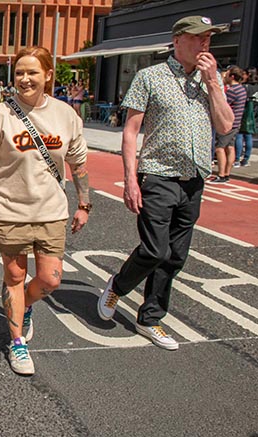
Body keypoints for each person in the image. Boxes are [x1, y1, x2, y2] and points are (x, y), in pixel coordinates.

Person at [96, 16, 234, 350]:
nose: (205, 45)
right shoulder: (149, 77)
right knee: (156, 250)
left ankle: (151, 318)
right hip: (158, 176)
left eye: (209, 39)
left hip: (195, 179)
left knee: (176, 256)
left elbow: (226, 125)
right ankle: (118, 285)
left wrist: (213, 83)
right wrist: (130, 178)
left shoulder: (210, 80)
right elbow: (130, 130)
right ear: (177, 41)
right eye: (198, 38)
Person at [0, 46, 90, 376]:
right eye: (20, 72)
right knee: (13, 276)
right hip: (7, 211)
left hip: (52, 212)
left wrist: (84, 203)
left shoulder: (65, 114)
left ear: (48, 75)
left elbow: (78, 163)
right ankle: (17, 342)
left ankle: (25, 304)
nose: (24, 79)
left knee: (50, 279)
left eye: (32, 72)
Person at [211, 66, 247, 182]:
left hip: (228, 123)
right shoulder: (242, 89)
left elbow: (222, 104)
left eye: (227, 75)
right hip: (236, 123)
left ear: (232, 76)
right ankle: (227, 173)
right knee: (230, 148)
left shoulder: (232, 91)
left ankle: (221, 174)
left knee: (219, 148)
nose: (224, 76)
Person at [235, 69, 257, 167]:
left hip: (243, 113)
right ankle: (246, 159)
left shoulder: (243, 87)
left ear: (248, 75)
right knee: (248, 136)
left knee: (239, 136)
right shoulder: (256, 87)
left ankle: (237, 158)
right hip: (254, 115)